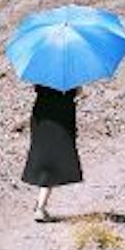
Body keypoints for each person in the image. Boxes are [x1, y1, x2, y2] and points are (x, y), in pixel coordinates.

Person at [22, 83, 82, 221]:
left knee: (45, 157)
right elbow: (77, 92)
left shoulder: (44, 72)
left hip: (41, 115)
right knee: (53, 161)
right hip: (61, 118)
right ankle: (40, 207)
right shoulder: (70, 76)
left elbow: (36, 89)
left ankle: (40, 204)